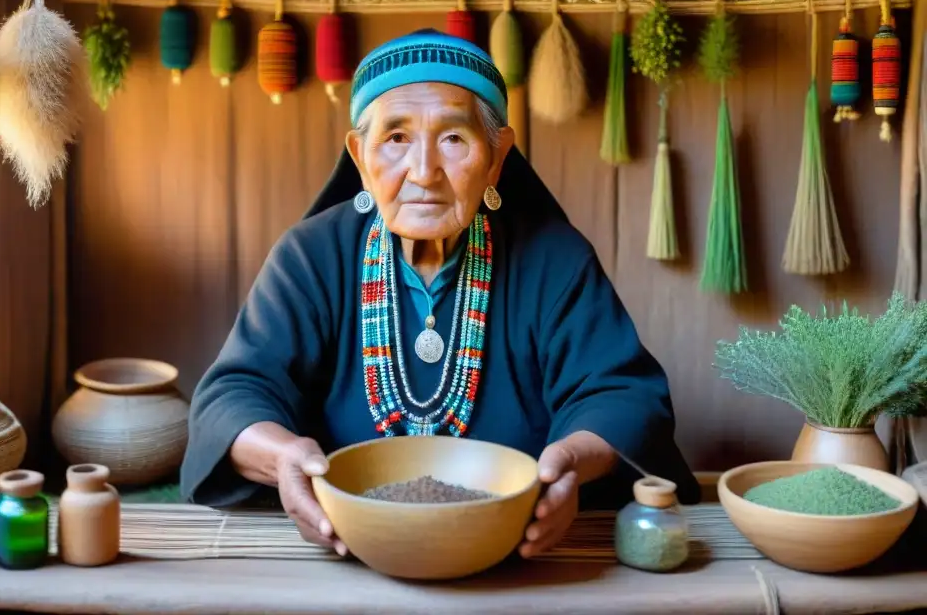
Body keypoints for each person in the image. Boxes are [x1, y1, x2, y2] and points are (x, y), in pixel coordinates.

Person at [181, 29, 699, 559]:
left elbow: (624, 395)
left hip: (512, 552)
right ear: (360, 156)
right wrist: (285, 456)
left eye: (454, 139)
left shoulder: (553, 259)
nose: (424, 173)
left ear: (497, 157)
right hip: (349, 550)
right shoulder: (311, 256)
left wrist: (572, 461)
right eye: (397, 139)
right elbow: (231, 397)